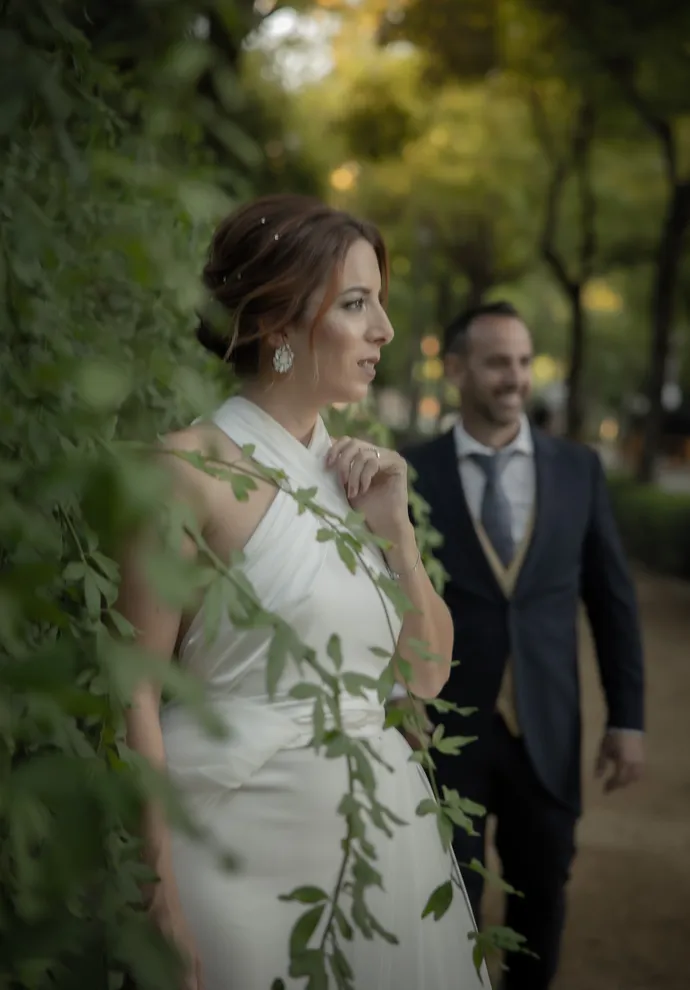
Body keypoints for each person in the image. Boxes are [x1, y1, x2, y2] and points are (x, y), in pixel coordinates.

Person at [116, 194, 488, 990]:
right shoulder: (185, 470)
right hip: (232, 857)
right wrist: (158, 902)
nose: (384, 329)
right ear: (278, 325)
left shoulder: (361, 476)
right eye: (357, 304)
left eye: (378, 303)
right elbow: (133, 694)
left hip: (378, 851)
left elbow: (425, 675)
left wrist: (396, 534)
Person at [400, 301, 645, 990]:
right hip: (445, 732)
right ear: (455, 371)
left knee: (543, 902)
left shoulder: (579, 469)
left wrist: (627, 719)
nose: (514, 378)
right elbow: (383, 604)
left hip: (549, 729)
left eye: (521, 361)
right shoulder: (408, 474)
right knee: (450, 909)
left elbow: (613, 602)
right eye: (496, 362)